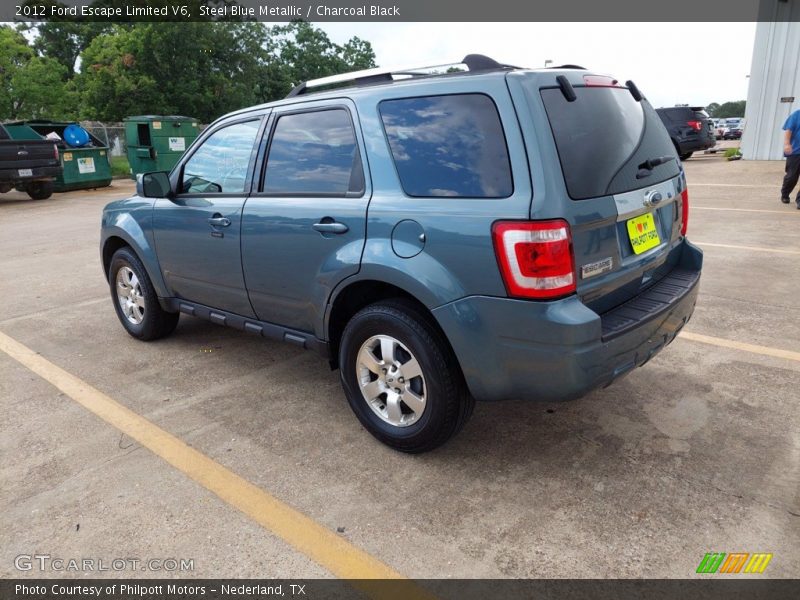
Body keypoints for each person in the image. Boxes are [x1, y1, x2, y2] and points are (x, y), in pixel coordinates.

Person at [781, 107, 800, 209]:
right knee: (792, 177)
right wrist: (787, 144)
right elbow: (789, 130)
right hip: (795, 151)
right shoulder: (796, 114)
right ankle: (785, 193)